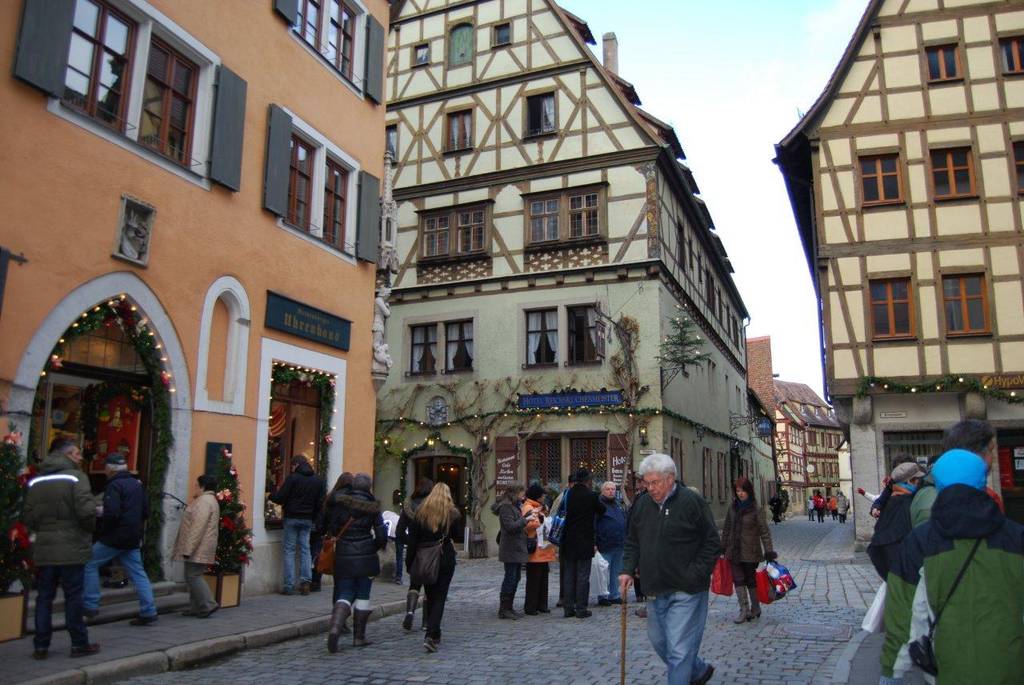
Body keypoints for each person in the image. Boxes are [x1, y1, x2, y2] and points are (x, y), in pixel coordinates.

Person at [878, 448, 1024, 685]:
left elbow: (903, 613)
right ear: (983, 481)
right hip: (1009, 665)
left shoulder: (920, 542)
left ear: (938, 485)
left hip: (947, 667)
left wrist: (893, 667)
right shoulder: (1017, 538)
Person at [621, 453, 719, 685]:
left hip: (687, 589)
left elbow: (712, 542)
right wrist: (626, 569)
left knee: (678, 649)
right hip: (655, 588)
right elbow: (633, 541)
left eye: (655, 482)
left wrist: (695, 573)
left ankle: (685, 672)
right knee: (659, 641)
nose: (650, 488)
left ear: (671, 478)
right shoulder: (643, 504)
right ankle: (696, 670)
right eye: (646, 482)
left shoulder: (691, 502)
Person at [23, 439, 100, 659]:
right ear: (66, 454)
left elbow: (28, 515)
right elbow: (86, 511)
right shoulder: (76, 477)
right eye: (76, 453)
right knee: (73, 596)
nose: (80, 457)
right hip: (72, 546)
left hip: (45, 548)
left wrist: (44, 530)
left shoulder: (36, 480)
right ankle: (78, 643)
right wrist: (88, 529)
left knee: (44, 597)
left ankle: (40, 645)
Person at [83, 453, 157, 625]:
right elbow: (146, 511)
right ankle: (149, 610)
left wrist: (103, 520)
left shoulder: (114, 485)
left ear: (110, 469)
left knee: (89, 563)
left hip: (115, 536)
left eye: (106, 468)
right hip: (132, 535)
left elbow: (113, 513)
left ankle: (90, 604)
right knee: (138, 573)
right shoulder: (137, 484)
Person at [325, 473, 387, 652]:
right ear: (368, 487)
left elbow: (333, 527)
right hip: (366, 554)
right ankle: (359, 637)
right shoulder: (373, 507)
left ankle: (335, 628)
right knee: (362, 594)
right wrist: (372, 546)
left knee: (344, 592)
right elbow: (381, 534)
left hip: (344, 553)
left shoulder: (340, 503)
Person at [911, 420, 1004, 528]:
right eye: (990, 450)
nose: (993, 457)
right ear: (974, 454)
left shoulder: (968, 489)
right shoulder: (932, 500)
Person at [404, 483, 461, 652]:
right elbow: (457, 535)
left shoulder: (420, 514)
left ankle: (434, 632)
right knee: (440, 597)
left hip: (424, 558)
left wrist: (410, 563)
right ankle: (431, 633)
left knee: (430, 594)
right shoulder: (452, 514)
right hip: (445, 557)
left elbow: (412, 542)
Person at [720, 476, 776, 624]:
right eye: (738, 490)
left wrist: (769, 551)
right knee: (738, 580)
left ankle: (756, 607)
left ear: (749, 491)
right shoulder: (732, 508)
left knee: (750, 580)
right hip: (734, 550)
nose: (740, 493)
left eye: (743, 490)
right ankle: (744, 610)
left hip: (750, 550)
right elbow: (726, 529)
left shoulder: (756, 509)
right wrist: (723, 546)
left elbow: (764, 531)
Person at [269, 454, 325, 596]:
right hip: (307, 519)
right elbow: (320, 502)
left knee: (290, 550)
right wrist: (313, 515)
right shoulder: (318, 480)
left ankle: (288, 585)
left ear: (295, 465)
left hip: (291, 517)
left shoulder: (293, 478)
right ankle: (306, 581)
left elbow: (281, 497)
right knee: (305, 549)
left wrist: (271, 494)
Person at [172, 474, 221, 619]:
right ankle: (196, 607)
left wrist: (188, 549)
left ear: (203, 486)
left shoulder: (204, 502)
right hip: (202, 545)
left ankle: (208, 603)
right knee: (192, 575)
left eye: (196, 485)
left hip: (199, 546)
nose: (194, 487)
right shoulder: (209, 500)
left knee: (193, 575)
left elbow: (197, 528)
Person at [866, 462, 925, 581]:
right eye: (918, 479)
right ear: (910, 481)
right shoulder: (905, 503)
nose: (920, 483)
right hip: (906, 575)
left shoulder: (898, 498)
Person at [559, 469, 605, 619]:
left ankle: (568, 608)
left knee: (569, 575)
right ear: (588, 481)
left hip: (568, 538)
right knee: (583, 575)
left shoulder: (570, 493)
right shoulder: (591, 495)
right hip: (584, 539)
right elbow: (601, 509)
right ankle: (581, 608)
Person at [491, 485, 538, 619]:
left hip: (516, 547)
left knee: (515, 577)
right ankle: (504, 609)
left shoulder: (515, 505)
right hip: (510, 548)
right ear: (514, 493)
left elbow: (516, 522)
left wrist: (528, 515)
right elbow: (510, 527)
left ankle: (509, 607)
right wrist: (526, 519)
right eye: (521, 493)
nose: (523, 496)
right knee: (510, 578)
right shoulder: (506, 507)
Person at [396, 477, 433, 630]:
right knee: (430, 586)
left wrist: (410, 541)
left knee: (414, 583)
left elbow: (399, 531)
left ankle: (410, 612)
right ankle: (425, 622)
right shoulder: (433, 505)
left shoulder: (408, 506)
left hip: (415, 548)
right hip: (430, 548)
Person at [523, 483, 554, 615]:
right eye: (542, 495)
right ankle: (531, 607)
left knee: (543, 578)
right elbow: (528, 524)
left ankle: (542, 605)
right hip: (535, 547)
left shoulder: (539, 507)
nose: (544, 497)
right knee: (534, 579)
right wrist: (539, 520)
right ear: (537, 496)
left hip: (543, 548)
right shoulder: (528, 507)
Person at [595, 481, 626, 606]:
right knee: (603, 572)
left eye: (613, 489)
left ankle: (614, 594)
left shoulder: (618, 505)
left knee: (616, 572)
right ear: (602, 491)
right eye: (608, 489)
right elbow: (594, 523)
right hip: (604, 543)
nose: (611, 491)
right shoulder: (599, 505)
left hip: (619, 543)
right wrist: (595, 542)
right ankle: (602, 595)